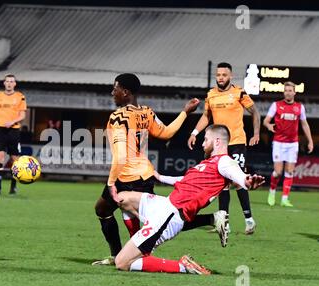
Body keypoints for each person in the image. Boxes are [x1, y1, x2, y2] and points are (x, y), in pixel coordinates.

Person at [114, 125, 265, 275]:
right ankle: (138, 248)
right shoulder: (208, 163)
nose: (203, 143)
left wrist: (247, 181)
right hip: (164, 204)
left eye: (206, 140)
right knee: (122, 198)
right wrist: (160, 177)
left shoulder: (224, 162)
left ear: (217, 142)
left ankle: (183, 266)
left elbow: (238, 175)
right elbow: (185, 180)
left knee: (121, 263)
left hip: (170, 215)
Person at [93, 73, 200, 265]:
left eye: (115, 89)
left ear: (125, 92)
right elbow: (166, 132)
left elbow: (120, 156)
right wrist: (185, 112)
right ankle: (120, 255)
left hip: (127, 176)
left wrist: (111, 183)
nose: (112, 93)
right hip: (144, 175)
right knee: (105, 209)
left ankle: (132, 259)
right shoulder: (146, 113)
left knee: (156, 221)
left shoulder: (118, 117)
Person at [187, 62, 260, 235]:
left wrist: (256, 133)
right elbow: (206, 116)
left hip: (236, 142)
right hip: (219, 146)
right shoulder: (211, 95)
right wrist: (194, 133)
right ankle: (224, 223)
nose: (221, 78)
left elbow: (255, 112)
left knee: (238, 180)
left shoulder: (239, 92)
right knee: (222, 184)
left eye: (224, 75)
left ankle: (249, 220)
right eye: (218, 75)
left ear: (231, 76)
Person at [263, 81, 314, 207]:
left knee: (290, 171)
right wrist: (268, 125)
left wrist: (310, 141)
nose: (288, 92)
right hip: (279, 143)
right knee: (278, 172)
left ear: (294, 92)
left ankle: (285, 199)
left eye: (290, 90)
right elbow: (266, 121)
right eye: (286, 90)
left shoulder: (299, 107)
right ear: (284, 92)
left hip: (292, 144)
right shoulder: (276, 105)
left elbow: (304, 124)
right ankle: (272, 192)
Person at [0, 74, 27, 195]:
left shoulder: (20, 97)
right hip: (0, 130)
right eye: (7, 81)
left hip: (13, 130)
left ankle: (13, 186)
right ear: (4, 83)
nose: (9, 83)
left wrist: (13, 121)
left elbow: (22, 115)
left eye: (11, 81)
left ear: (15, 84)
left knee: (15, 160)